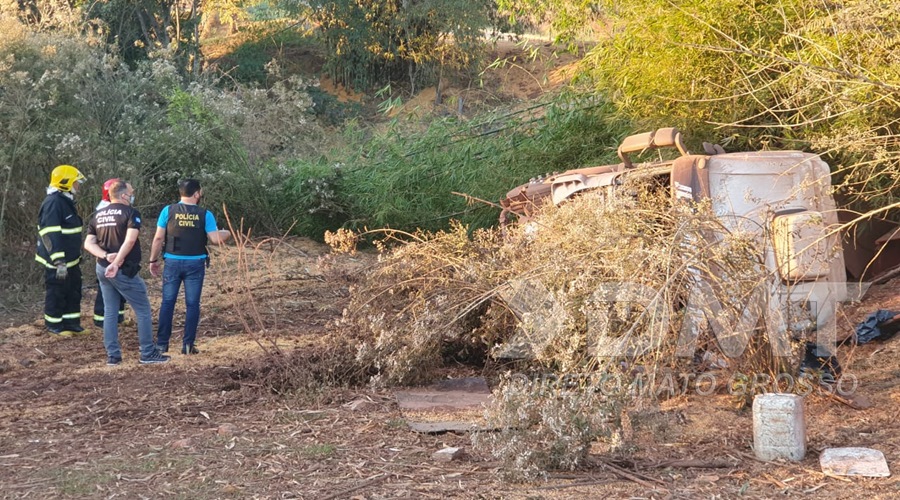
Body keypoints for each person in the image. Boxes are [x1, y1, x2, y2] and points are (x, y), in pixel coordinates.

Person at [84, 180, 169, 365]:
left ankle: (113, 356)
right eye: (131, 192)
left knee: (110, 311)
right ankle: (147, 353)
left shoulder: (98, 215)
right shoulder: (130, 213)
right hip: (122, 270)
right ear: (123, 195)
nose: (133, 194)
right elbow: (130, 241)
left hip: (102, 268)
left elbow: (88, 244)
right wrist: (117, 260)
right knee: (143, 309)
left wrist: (106, 256)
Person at [148, 179, 231, 355]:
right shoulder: (204, 214)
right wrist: (228, 232)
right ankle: (187, 345)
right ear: (196, 194)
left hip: (172, 262)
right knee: (192, 304)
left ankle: (162, 344)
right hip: (195, 263)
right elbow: (215, 239)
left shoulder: (168, 211)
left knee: (167, 302)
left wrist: (152, 260)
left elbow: (158, 239)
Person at [36, 165, 86, 336]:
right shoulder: (53, 203)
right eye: (76, 182)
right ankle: (54, 326)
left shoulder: (65, 201)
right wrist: (58, 260)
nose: (78, 186)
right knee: (57, 291)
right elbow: (49, 233)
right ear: (66, 183)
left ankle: (71, 323)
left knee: (73, 289)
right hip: (58, 261)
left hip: (71, 258)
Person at [92, 178, 127, 328]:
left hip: (115, 256)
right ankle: (101, 318)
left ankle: (118, 317)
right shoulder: (104, 210)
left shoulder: (112, 208)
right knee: (105, 289)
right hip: (108, 257)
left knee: (117, 289)